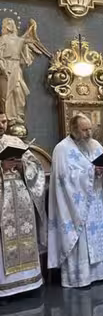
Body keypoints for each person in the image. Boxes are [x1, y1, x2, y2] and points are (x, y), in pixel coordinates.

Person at [48, 113, 103, 288]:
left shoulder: (95, 145)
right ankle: (82, 276)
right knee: (82, 238)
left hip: (97, 200)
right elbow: (63, 178)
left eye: (90, 129)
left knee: (100, 235)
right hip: (77, 205)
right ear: (73, 129)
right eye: (84, 130)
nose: (89, 133)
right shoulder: (62, 149)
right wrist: (91, 172)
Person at [0, 111, 46, 298]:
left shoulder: (15, 141)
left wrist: (22, 165)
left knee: (25, 235)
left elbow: (37, 168)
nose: (2, 125)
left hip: (21, 199)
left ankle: (29, 283)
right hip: (2, 202)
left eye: (4, 121)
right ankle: (5, 289)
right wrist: (2, 167)